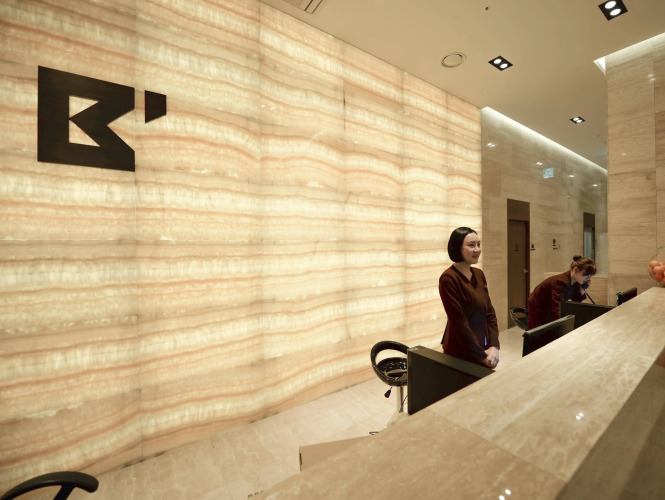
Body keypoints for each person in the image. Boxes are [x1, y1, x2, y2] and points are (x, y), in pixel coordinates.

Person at [439, 227, 500, 369]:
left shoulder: (479, 274)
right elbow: (459, 322)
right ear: (457, 247)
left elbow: (489, 312)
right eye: (471, 245)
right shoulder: (448, 278)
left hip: (482, 345)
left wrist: (494, 346)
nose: (477, 249)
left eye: (479, 244)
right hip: (460, 350)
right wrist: (481, 356)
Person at [526, 255, 597, 329]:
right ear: (575, 270)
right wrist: (563, 326)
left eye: (590, 276)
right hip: (538, 305)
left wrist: (583, 289)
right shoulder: (561, 282)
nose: (588, 279)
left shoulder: (576, 281)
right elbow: (557, 308)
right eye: (586, 275)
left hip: (550, 305)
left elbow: (576, 300)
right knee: (538, 330)